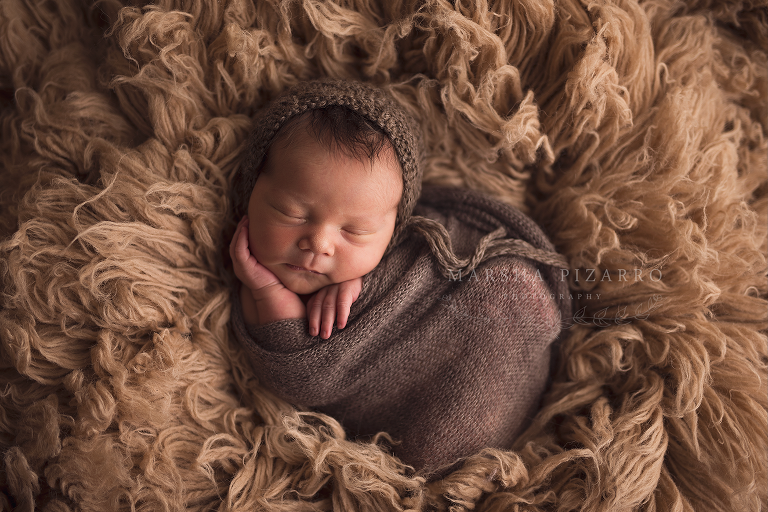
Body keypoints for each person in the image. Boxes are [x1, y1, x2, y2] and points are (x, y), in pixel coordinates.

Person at [229, 80, 571, 477]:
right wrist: (267, 290)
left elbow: (457, 255)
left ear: (395, 230)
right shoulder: (258, 283)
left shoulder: (414, 244)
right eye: (292, 213)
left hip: (489, 328)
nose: (319, 243)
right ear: (251, 190)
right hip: (420, 421)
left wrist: (369, 278)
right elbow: (302, 379)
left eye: (355, 231)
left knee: (509, 289)